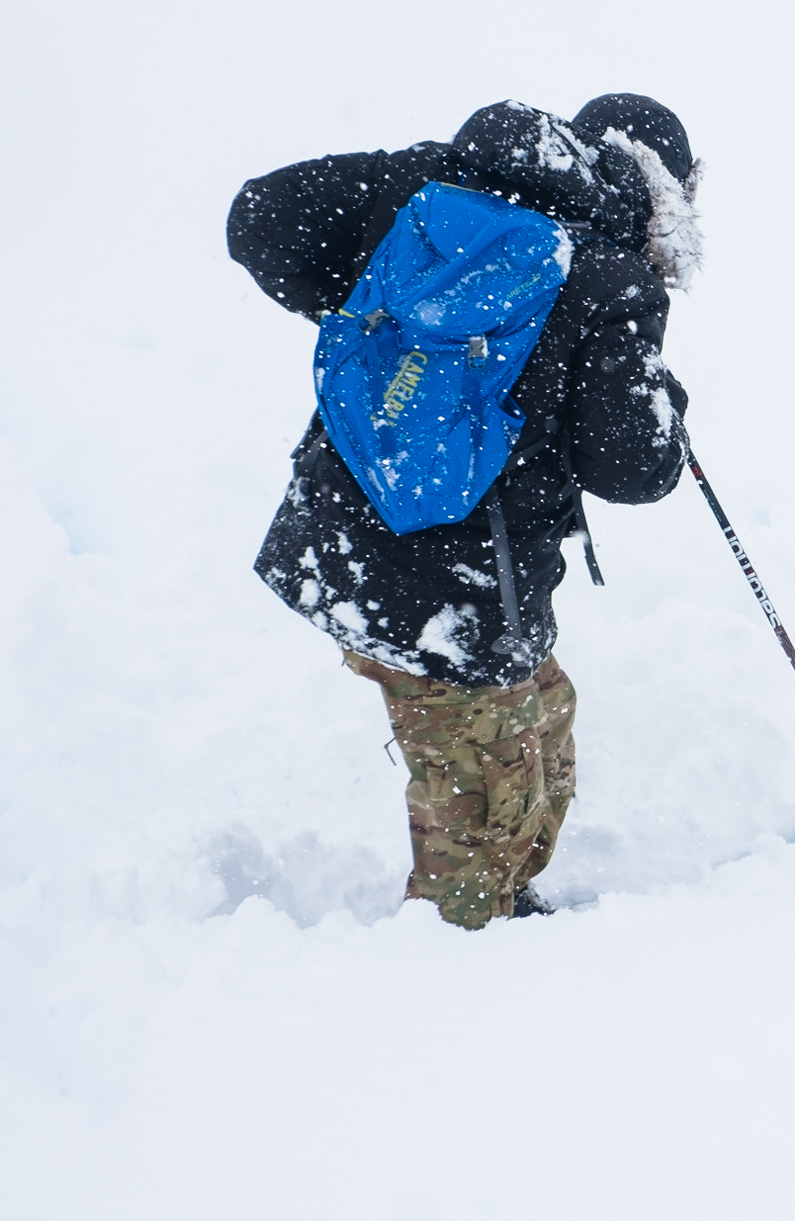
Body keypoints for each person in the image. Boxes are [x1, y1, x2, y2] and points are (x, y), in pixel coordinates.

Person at [227, 95, 701, 928]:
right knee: (484, 800)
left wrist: (385, 312)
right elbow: (634, 467)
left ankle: (499, 915)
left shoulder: (435, 185)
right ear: (667, 196)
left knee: (541, 728)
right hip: (458, 590)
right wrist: (661, 398)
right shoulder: (607, 278)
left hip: (343, 538)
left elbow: (261, 220)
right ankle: (453, 972)